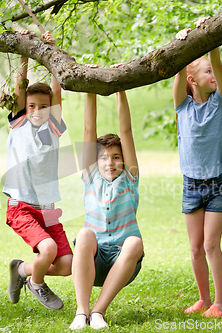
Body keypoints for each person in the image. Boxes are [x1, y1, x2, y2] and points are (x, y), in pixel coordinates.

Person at [69, 64, 144, 330]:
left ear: (124, 161)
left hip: (123, 261)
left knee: (135, 241)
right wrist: (91, 88)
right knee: (85, 233)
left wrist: (120, 88)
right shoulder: (90, 178)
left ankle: (98, 312)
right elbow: (89, 130)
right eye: (103, 158)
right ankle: (81, 312)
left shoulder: (130, 178)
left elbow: (127, 133)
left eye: (116, 157)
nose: (110, 162)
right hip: (95, 258)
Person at [4, 30, 73, 311]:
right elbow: (21, 86)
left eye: (43, 107)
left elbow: (57, 93)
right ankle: (37, 283)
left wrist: (52, 51)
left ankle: (22, 271)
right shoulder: (19, 124)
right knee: (49, 250)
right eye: (31, 106)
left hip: (47, 207)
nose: (37, 111)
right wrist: (25, 52)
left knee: (67, 264)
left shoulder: (53, 127)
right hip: (20, 205)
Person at [173, 17, 222, 318]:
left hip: (219, 183)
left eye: (213, 69)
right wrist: (182, 46)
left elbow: (220, 70)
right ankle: (203, 299)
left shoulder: (220, 102)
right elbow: (176, 71)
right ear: (192, 79)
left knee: (211, 244)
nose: (213, 74)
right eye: (206, 71)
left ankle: (220, 304)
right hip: (191, 184)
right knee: (196, 247)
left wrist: (210, 42)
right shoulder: (182, 106)